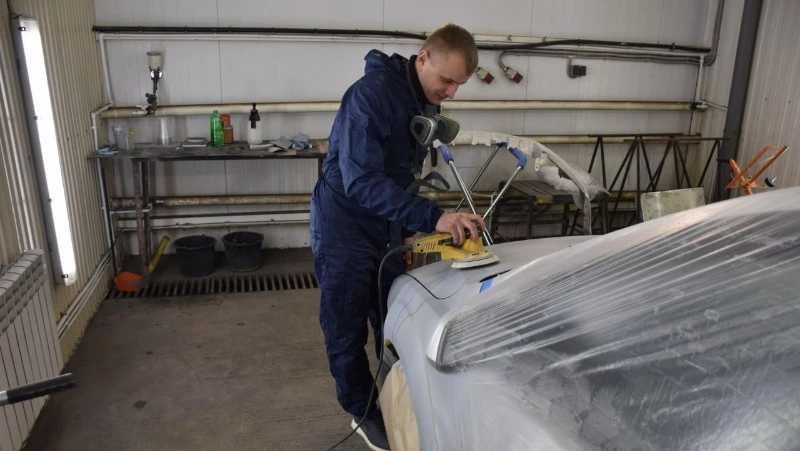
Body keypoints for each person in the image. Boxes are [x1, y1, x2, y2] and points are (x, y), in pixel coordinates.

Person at [310, 23, 484, 451]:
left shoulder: (423, 99)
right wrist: (433, 218)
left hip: (386, 224)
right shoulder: (369, 97)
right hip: (345, 224)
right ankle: (362, 410)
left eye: (458, 85)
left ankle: (397, 394)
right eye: (447, 80)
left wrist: (406, 237)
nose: (451, 92)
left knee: (393, 315)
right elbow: (362, 181)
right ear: (423, 58)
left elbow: (406, 174)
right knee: (346, 323)